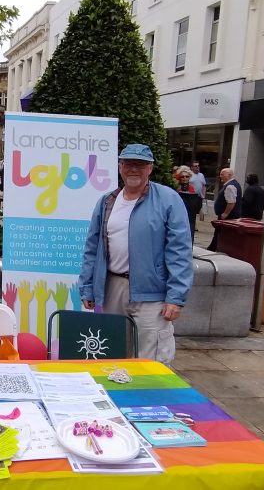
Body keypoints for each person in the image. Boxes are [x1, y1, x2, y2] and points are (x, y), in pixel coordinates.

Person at [79, 144, 193, 366]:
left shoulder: (168, 199)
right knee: (111, 353)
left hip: (152, 294)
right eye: (128, 164)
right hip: (113, 288)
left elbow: (180, 250)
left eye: (140, 164)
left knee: (150, 359)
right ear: (120, 167)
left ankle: (149, 399)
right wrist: (87, 286)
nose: (134, 169)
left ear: (150, 168)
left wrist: (176, 297)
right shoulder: (107, 201)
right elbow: (92, 248)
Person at [206, 168, 241, 251]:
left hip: (228, 216)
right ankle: (213, 247)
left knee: (220, 233)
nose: (220, 176)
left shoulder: (230, 186)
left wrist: (225, 214)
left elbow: (231, 202)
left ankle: (213, 248)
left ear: (229, 175)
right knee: (219, 233)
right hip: (229, 216)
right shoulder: (232, 184)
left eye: (222, 174)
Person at [174, 165, 198, 242]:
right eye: (182, 177)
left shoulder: (191, 188)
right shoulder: (176, 187)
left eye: (187, 177)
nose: (185, 178)